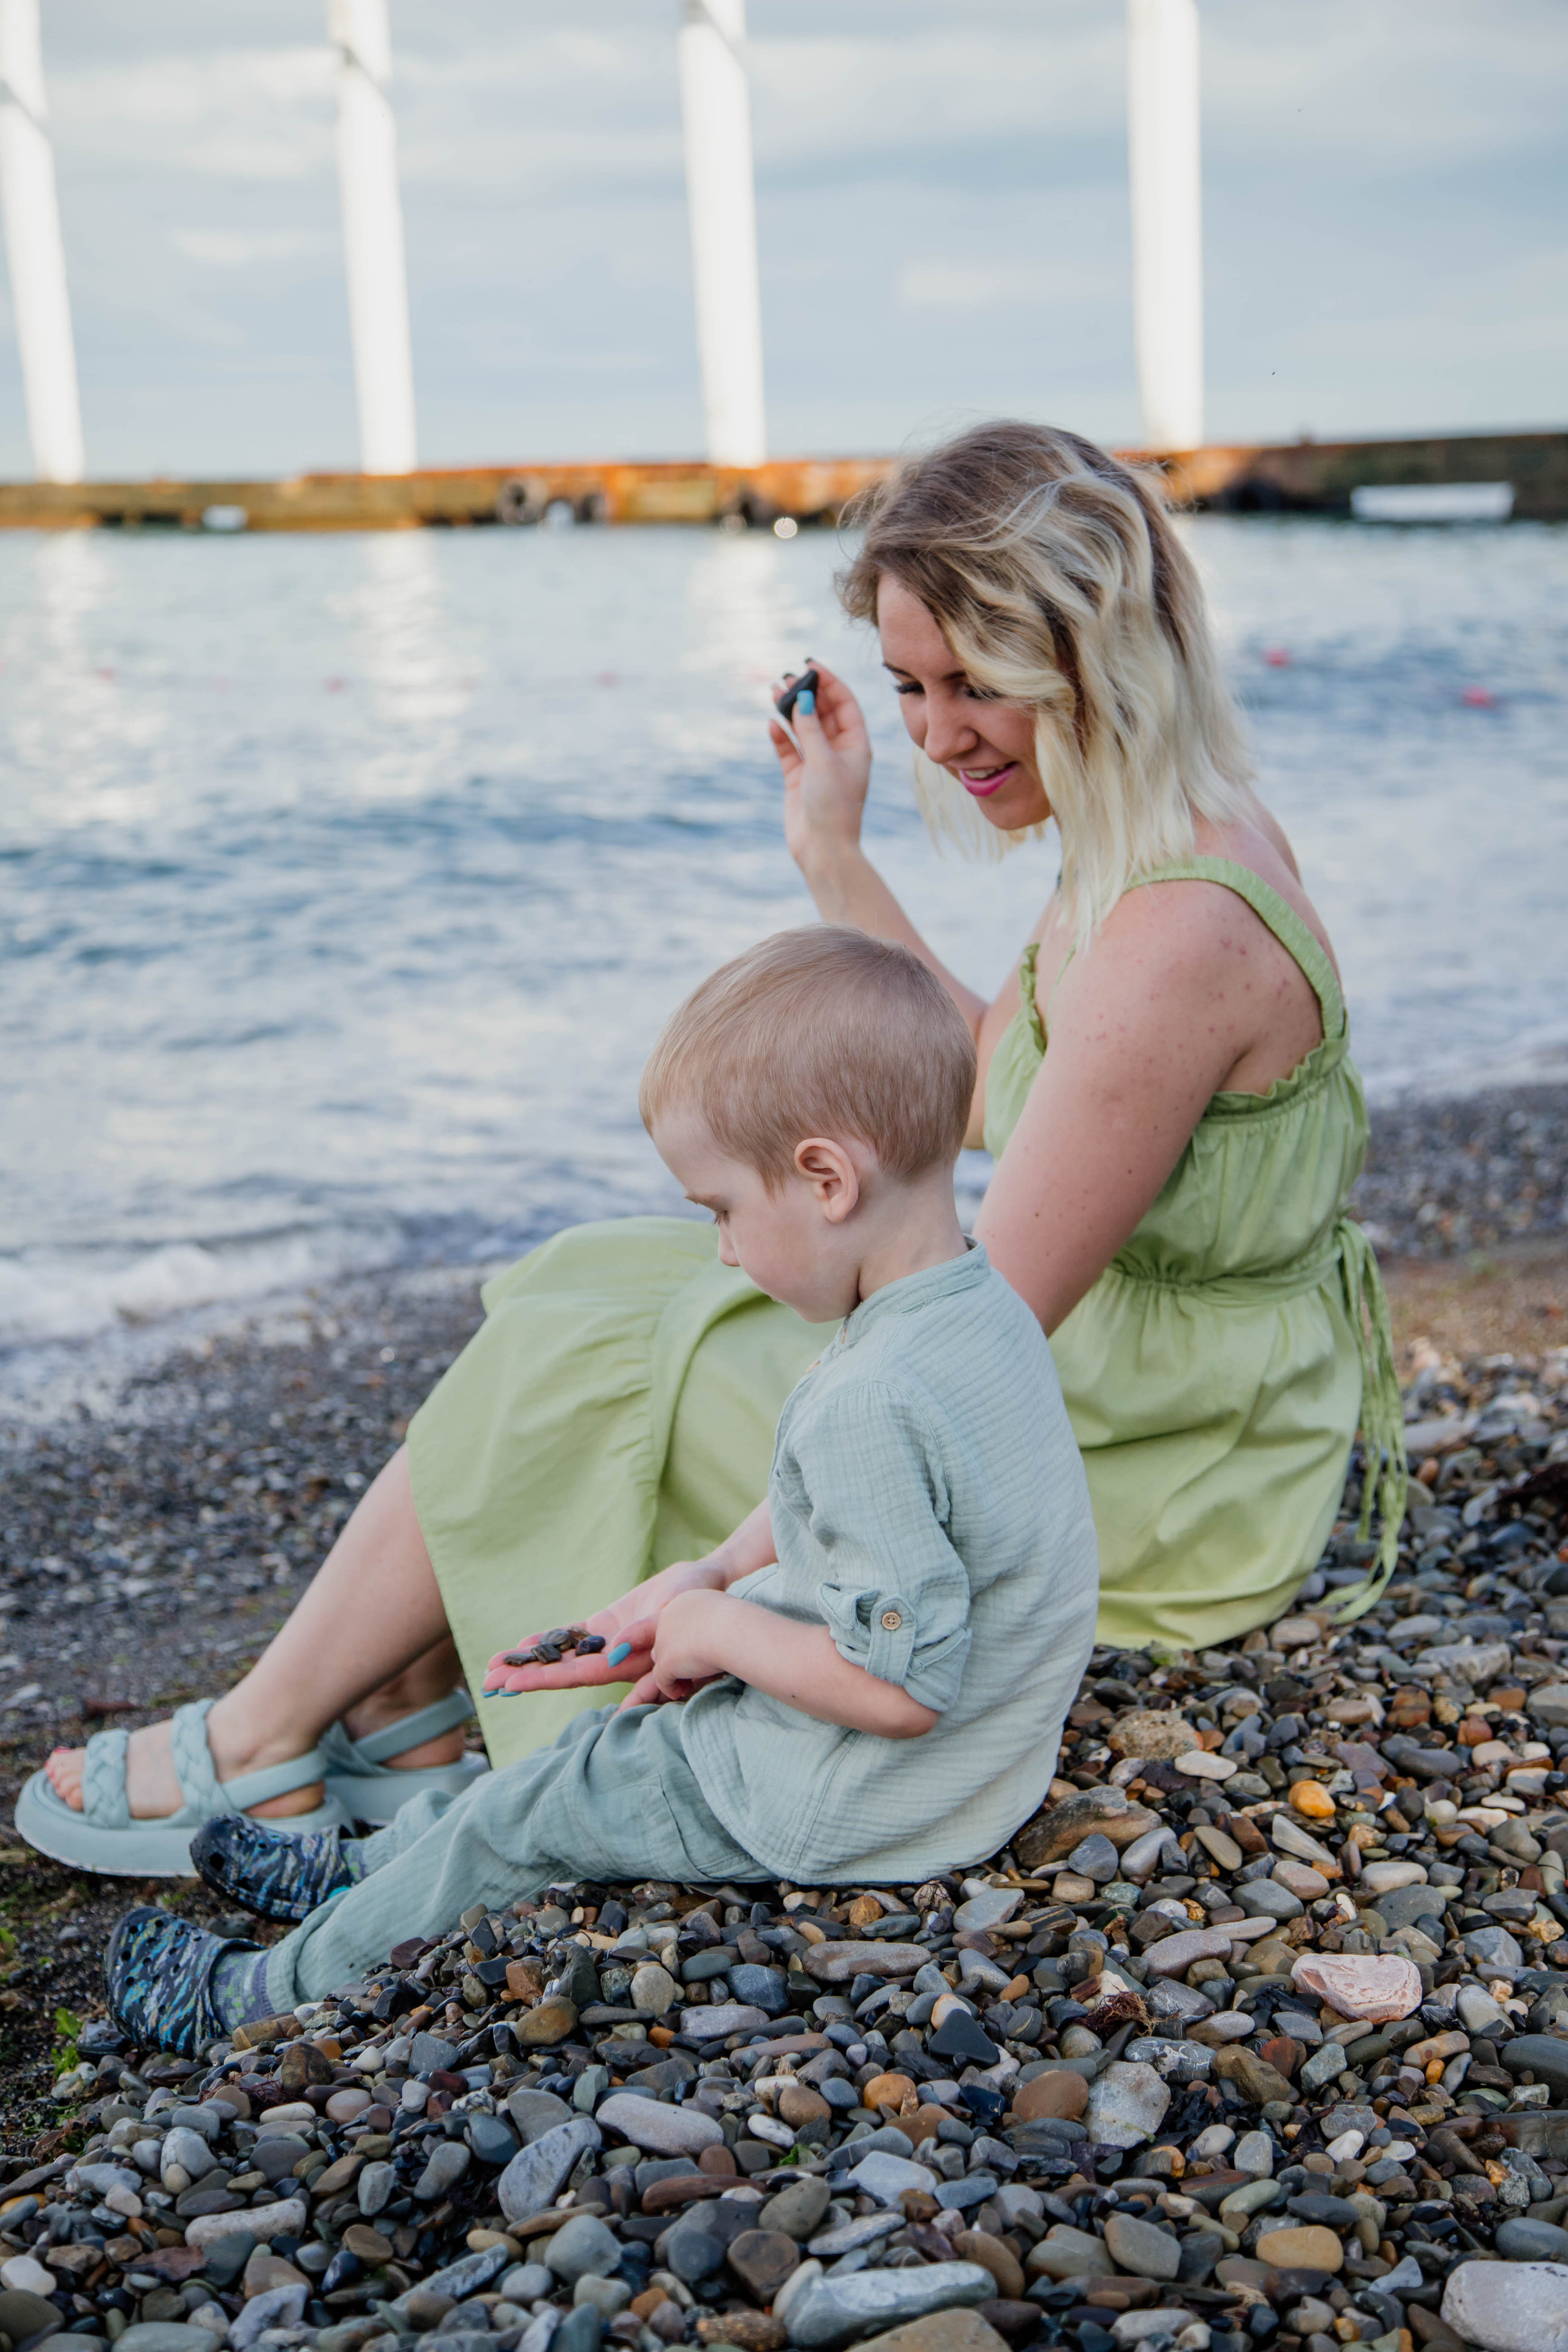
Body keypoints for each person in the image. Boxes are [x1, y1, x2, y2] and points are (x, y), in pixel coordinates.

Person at [21, 417, 1403, 1880]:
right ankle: (410, 1716)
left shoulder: (1173, 930)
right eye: (909, 685)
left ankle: (265, 1743)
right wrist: (831, 853)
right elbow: (999, 1083)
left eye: (972, 685)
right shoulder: (1161, 827)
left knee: (593, 1356)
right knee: (601, 1275)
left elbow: (972, 1343)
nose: (936, 734)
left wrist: (722, 1571)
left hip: (1160, 1469)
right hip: (1173, 1397)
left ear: (1095, 649)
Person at [102, 928, 1098, 2053]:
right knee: (582, 1761)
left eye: (720, 1209)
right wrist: (717, 1571)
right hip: (981, 1771)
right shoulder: (979, 1309)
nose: (721, 1250)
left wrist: (713, 1628)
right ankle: (375, 1868)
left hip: (863, 1796)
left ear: (826, 1178)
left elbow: (902, 1689)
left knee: (550, 1799)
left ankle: (262, 1996)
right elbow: (903, 1508)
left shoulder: (868, 1396)